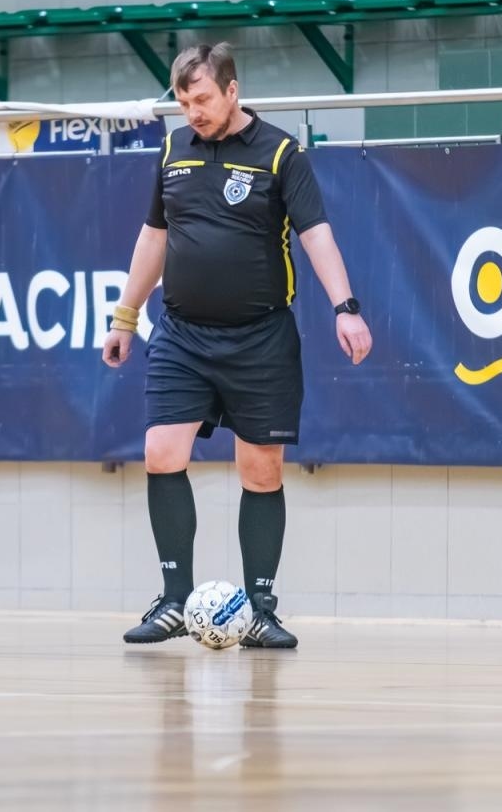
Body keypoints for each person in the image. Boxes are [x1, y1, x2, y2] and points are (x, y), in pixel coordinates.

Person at [103, 42, 372, 649]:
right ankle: (174, 600)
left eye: (201, 99)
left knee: (260, 468)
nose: (192, 112)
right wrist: (125, 316)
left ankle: (261, 609)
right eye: (182, 101)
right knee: (160, 452)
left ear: (231, 90)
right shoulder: (172, 149)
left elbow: (316, 234)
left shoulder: (280, 153)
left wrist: (345, 307)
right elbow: (154, 236)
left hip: (261, 339)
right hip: (182, 334)